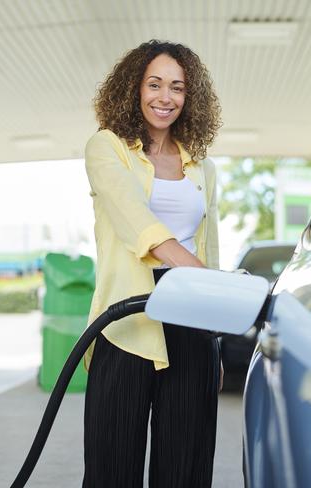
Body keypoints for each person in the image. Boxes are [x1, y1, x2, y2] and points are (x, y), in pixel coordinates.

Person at [83, 40, 223, 487]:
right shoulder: (107, 148)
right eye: (155, 84)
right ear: (133, 89)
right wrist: (199, 274)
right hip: (126, 323)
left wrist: (213, 330)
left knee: (185, 467)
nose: (166, 97)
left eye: (178, 88)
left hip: (189, 321)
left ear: (190, 97)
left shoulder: (202, 167)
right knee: (113, 467)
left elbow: (210, 245)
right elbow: (133, 216)